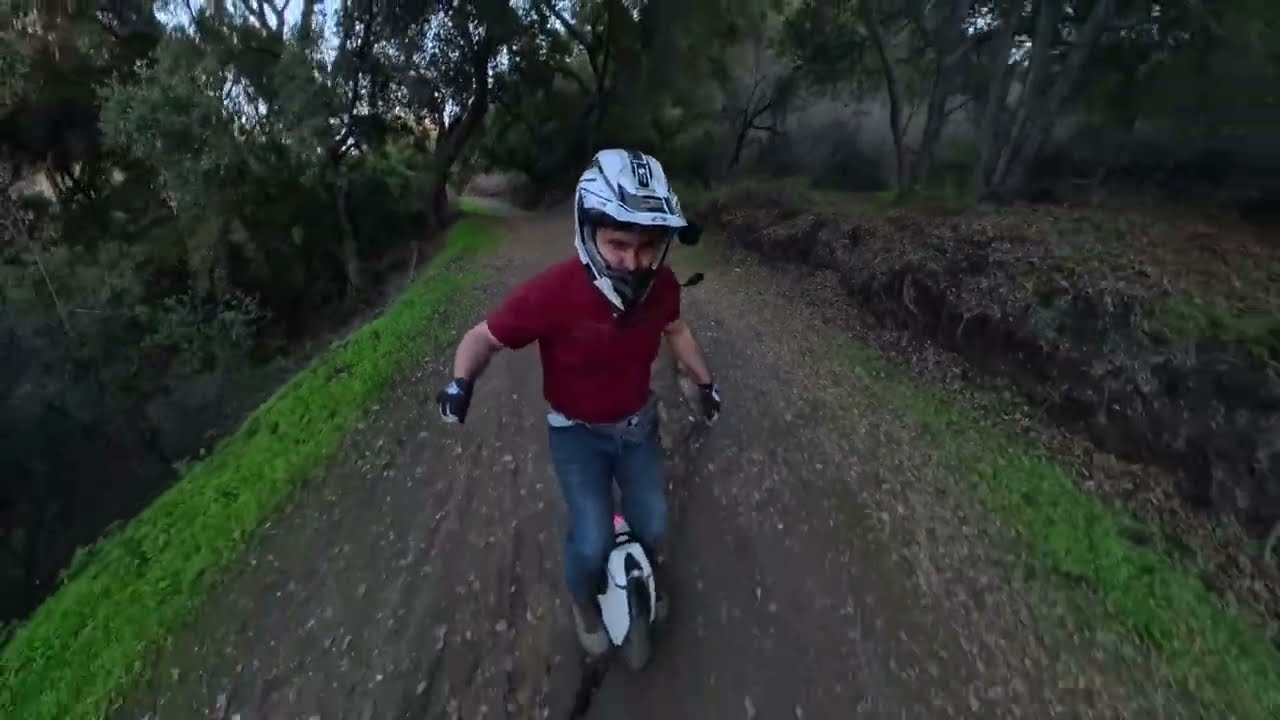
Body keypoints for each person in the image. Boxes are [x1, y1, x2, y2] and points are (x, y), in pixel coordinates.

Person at [435, 148, 721, 657]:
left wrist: (705, 383)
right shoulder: (552, 293)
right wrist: (461, 383)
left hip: (638, 425)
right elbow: (483, 338)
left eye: (648, 246)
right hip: (576, 436)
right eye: (618, 244)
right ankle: (582, 600)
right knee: (591, 542)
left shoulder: (662, 287)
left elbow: (677, 331)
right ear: (588, 233)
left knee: (654, 523)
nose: (633, 262)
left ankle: (641, 570)